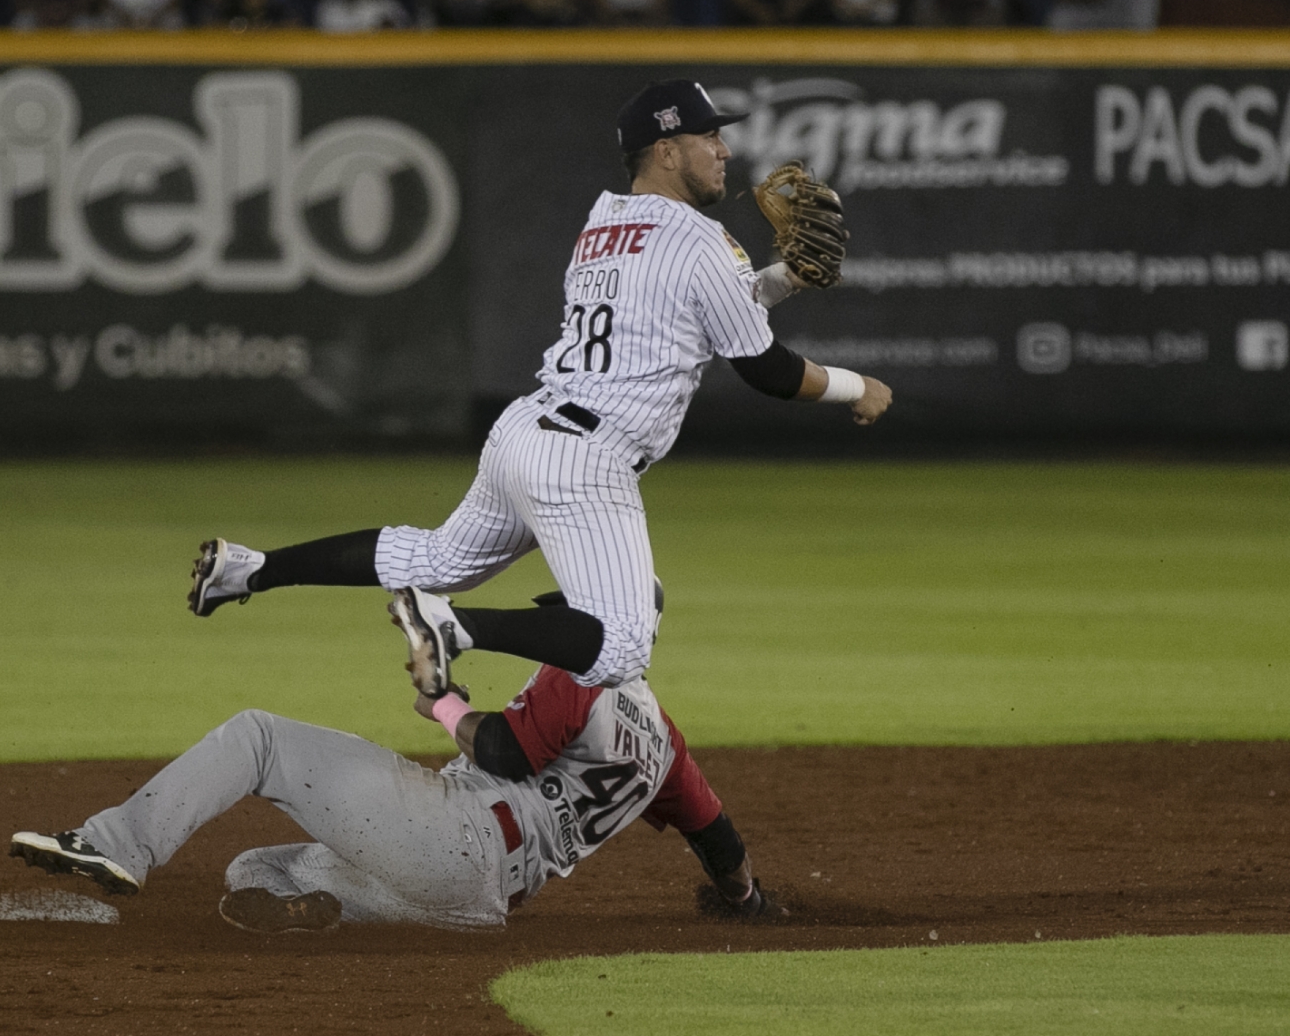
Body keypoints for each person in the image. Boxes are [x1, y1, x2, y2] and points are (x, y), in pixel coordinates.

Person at [188, 79, 891, 701]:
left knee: (436, 559)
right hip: (586, 460)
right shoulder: (701, 241)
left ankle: (251, 569)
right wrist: (856, 386)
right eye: (709, 135)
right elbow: (766, 371)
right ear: (667, 149)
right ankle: (450, 625)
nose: (724, 150)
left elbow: (694, 313)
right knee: (619, 646)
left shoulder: (605, 221)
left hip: (525, 434)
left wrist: (784, 279)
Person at [11, 588, 763, 931]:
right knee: (254, 866)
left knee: (259, 736)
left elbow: (502, 747)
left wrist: (441, 704)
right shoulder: (663, 738)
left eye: (564, 609)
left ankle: (114, 845)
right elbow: (720, 842)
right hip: (480, 902)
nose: (551, 621)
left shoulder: (581, 672)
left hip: (457, 836)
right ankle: (310, 913)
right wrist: (746, 903)